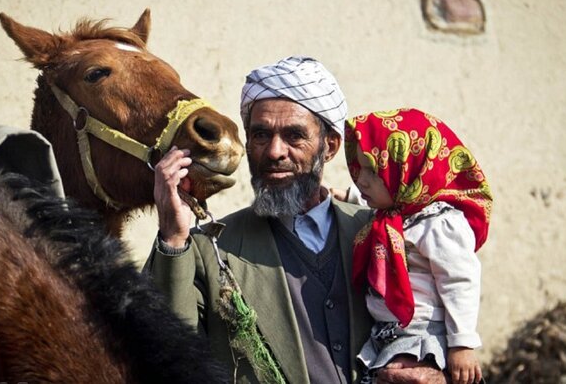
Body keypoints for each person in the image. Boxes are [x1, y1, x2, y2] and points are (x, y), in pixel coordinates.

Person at [145, 56, 447, 383]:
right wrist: (173, 237)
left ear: (329, 147)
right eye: (261, 135)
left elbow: (437, 316)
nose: (275, 152)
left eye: (294, 136)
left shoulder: (378, 232)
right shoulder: (210, 248)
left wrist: (435, 370)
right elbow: (166, 354)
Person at [339, 108, 493, 384]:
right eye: (360, 167)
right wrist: (349, 196)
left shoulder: (438, 223)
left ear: (406, 171)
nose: (361, 179)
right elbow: (376, 201)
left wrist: (461, 344)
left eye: (374, 171)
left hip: (420, 336)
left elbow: (460, 280)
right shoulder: (399, 211)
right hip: (389, 331)